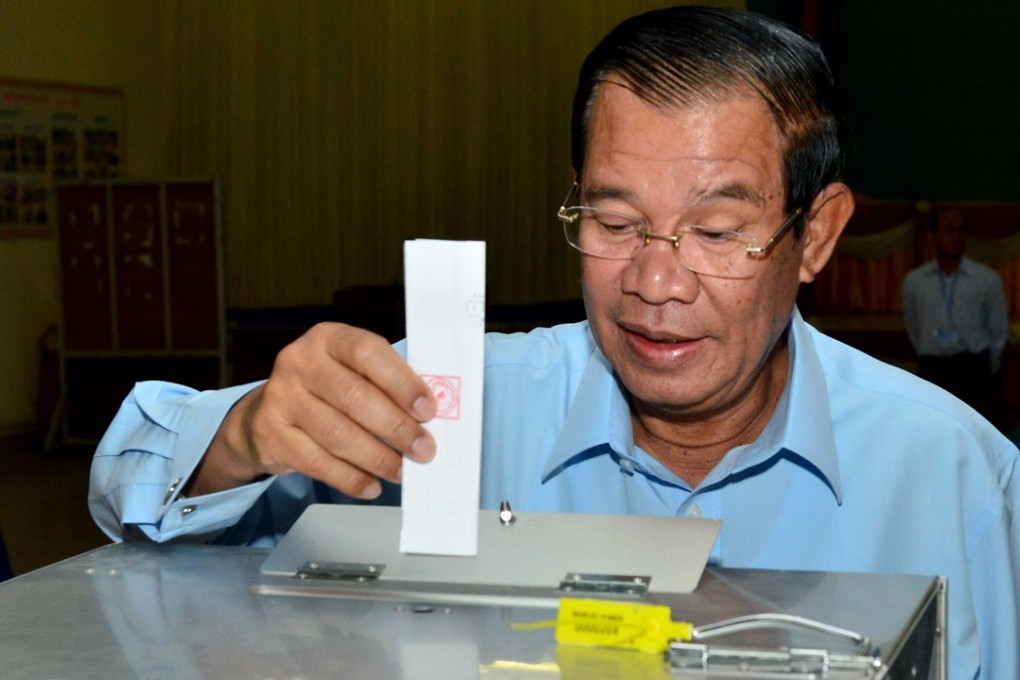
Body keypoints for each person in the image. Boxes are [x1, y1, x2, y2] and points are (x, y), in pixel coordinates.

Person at [89, 7, 1017, 678]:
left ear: (815, 236)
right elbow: (126, 492)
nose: (655, 282)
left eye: (714, 231)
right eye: (614, 222)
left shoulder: (951, 471)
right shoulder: (454, 408)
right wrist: (243, 435)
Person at [902, 206, 1009, 418]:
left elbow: (998, 331)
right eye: (949, 229)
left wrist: (986, 368)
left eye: (962, 230)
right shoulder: (915, 281)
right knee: (933, 426)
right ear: (933, 235)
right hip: (933, 368)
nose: (956, 236)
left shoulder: (987, 279)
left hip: (973, 368)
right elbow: (914, 328)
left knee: (975, 429)